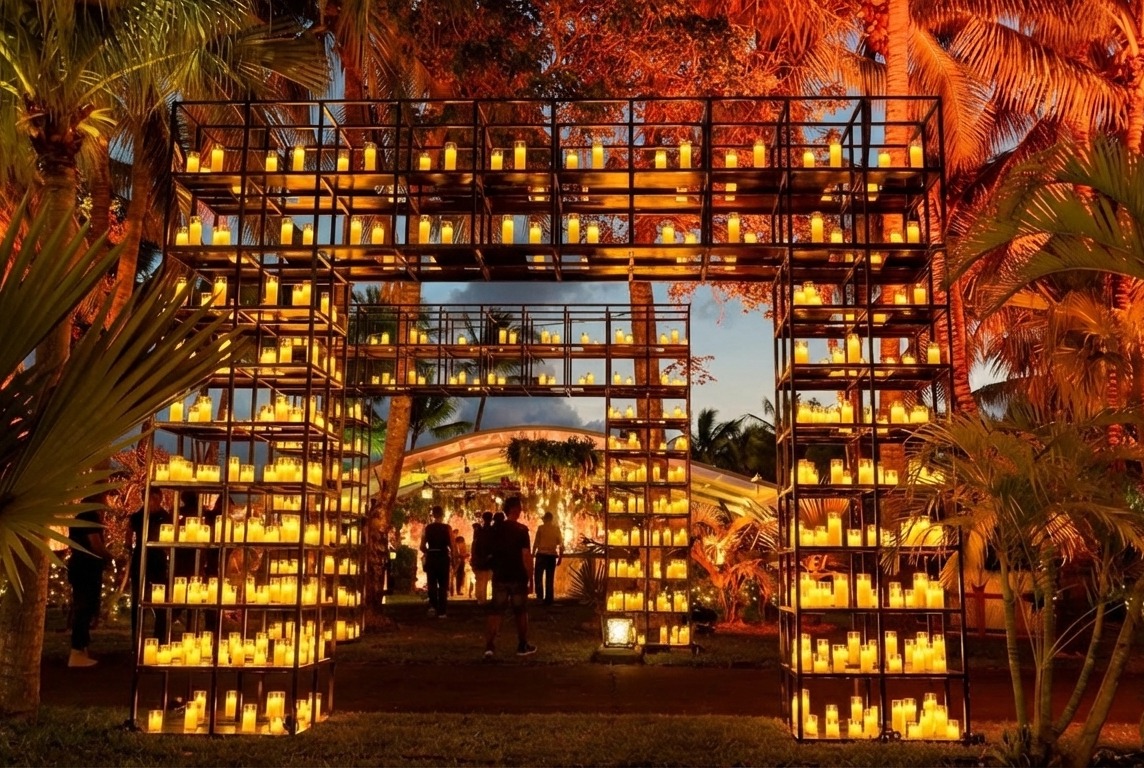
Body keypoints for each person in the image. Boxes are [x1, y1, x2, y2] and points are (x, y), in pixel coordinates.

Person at [484, 496, 536, 658]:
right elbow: (526, 555)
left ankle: (490, 646)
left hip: (500, 575)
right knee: (520, 611)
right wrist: (531, 577)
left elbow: (489, 552)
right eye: (519, 507)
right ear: (514, 509)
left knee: (496, 611)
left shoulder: (496, 529)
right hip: (517, 575)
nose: (521, 510)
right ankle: (522, 645)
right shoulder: (521, 530)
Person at [67, 492, 112, 667]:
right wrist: (109, 557)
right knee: (85, 608)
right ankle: (77, 650)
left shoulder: (79, 518)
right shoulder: (90, 517)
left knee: (83, 608)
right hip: (87, 568)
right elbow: (95, 544)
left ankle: (81, 649)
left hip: (79, 566)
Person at [127, 487, 170, 649]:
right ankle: (136, 640)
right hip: (140, 558)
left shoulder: (164, 517)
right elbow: (129, 532)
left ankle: (159, 640)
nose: (152, 501)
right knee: (138, 600)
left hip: (158, 560)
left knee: (160, 600)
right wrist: (128, 546)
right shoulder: (138, 516)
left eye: (155, 497)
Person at [420, 505, 452, 618]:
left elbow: (422, 546)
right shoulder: (447, 528)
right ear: (442, 515)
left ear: (432, 515)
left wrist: (428, 551)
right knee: (443, 584)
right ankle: (442, 611)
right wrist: (455, 557)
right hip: (443, 556)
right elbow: (452, 545)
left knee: (432, 583)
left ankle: (432, 606)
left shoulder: (427, 528)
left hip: (432, 556)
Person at [532, 512, 564, 606]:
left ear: (545, 519)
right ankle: (549, 600)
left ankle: (540, 598)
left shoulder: (541, 528)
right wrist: (560, 557)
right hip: (551, 556)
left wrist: (532, 554)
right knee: (550, 578)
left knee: (538, 577)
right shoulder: (556, 529)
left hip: (541, 555)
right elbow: (561, 544)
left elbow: (536, 542)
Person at [470, 512, 494, 604]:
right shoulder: (493, 530)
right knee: (488, 579)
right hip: (490, 558)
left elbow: (474, 543)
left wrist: (474, 557)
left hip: (480, 557)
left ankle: (481, 599)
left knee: (480, 580)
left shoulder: (479, 530)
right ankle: (485, 598)